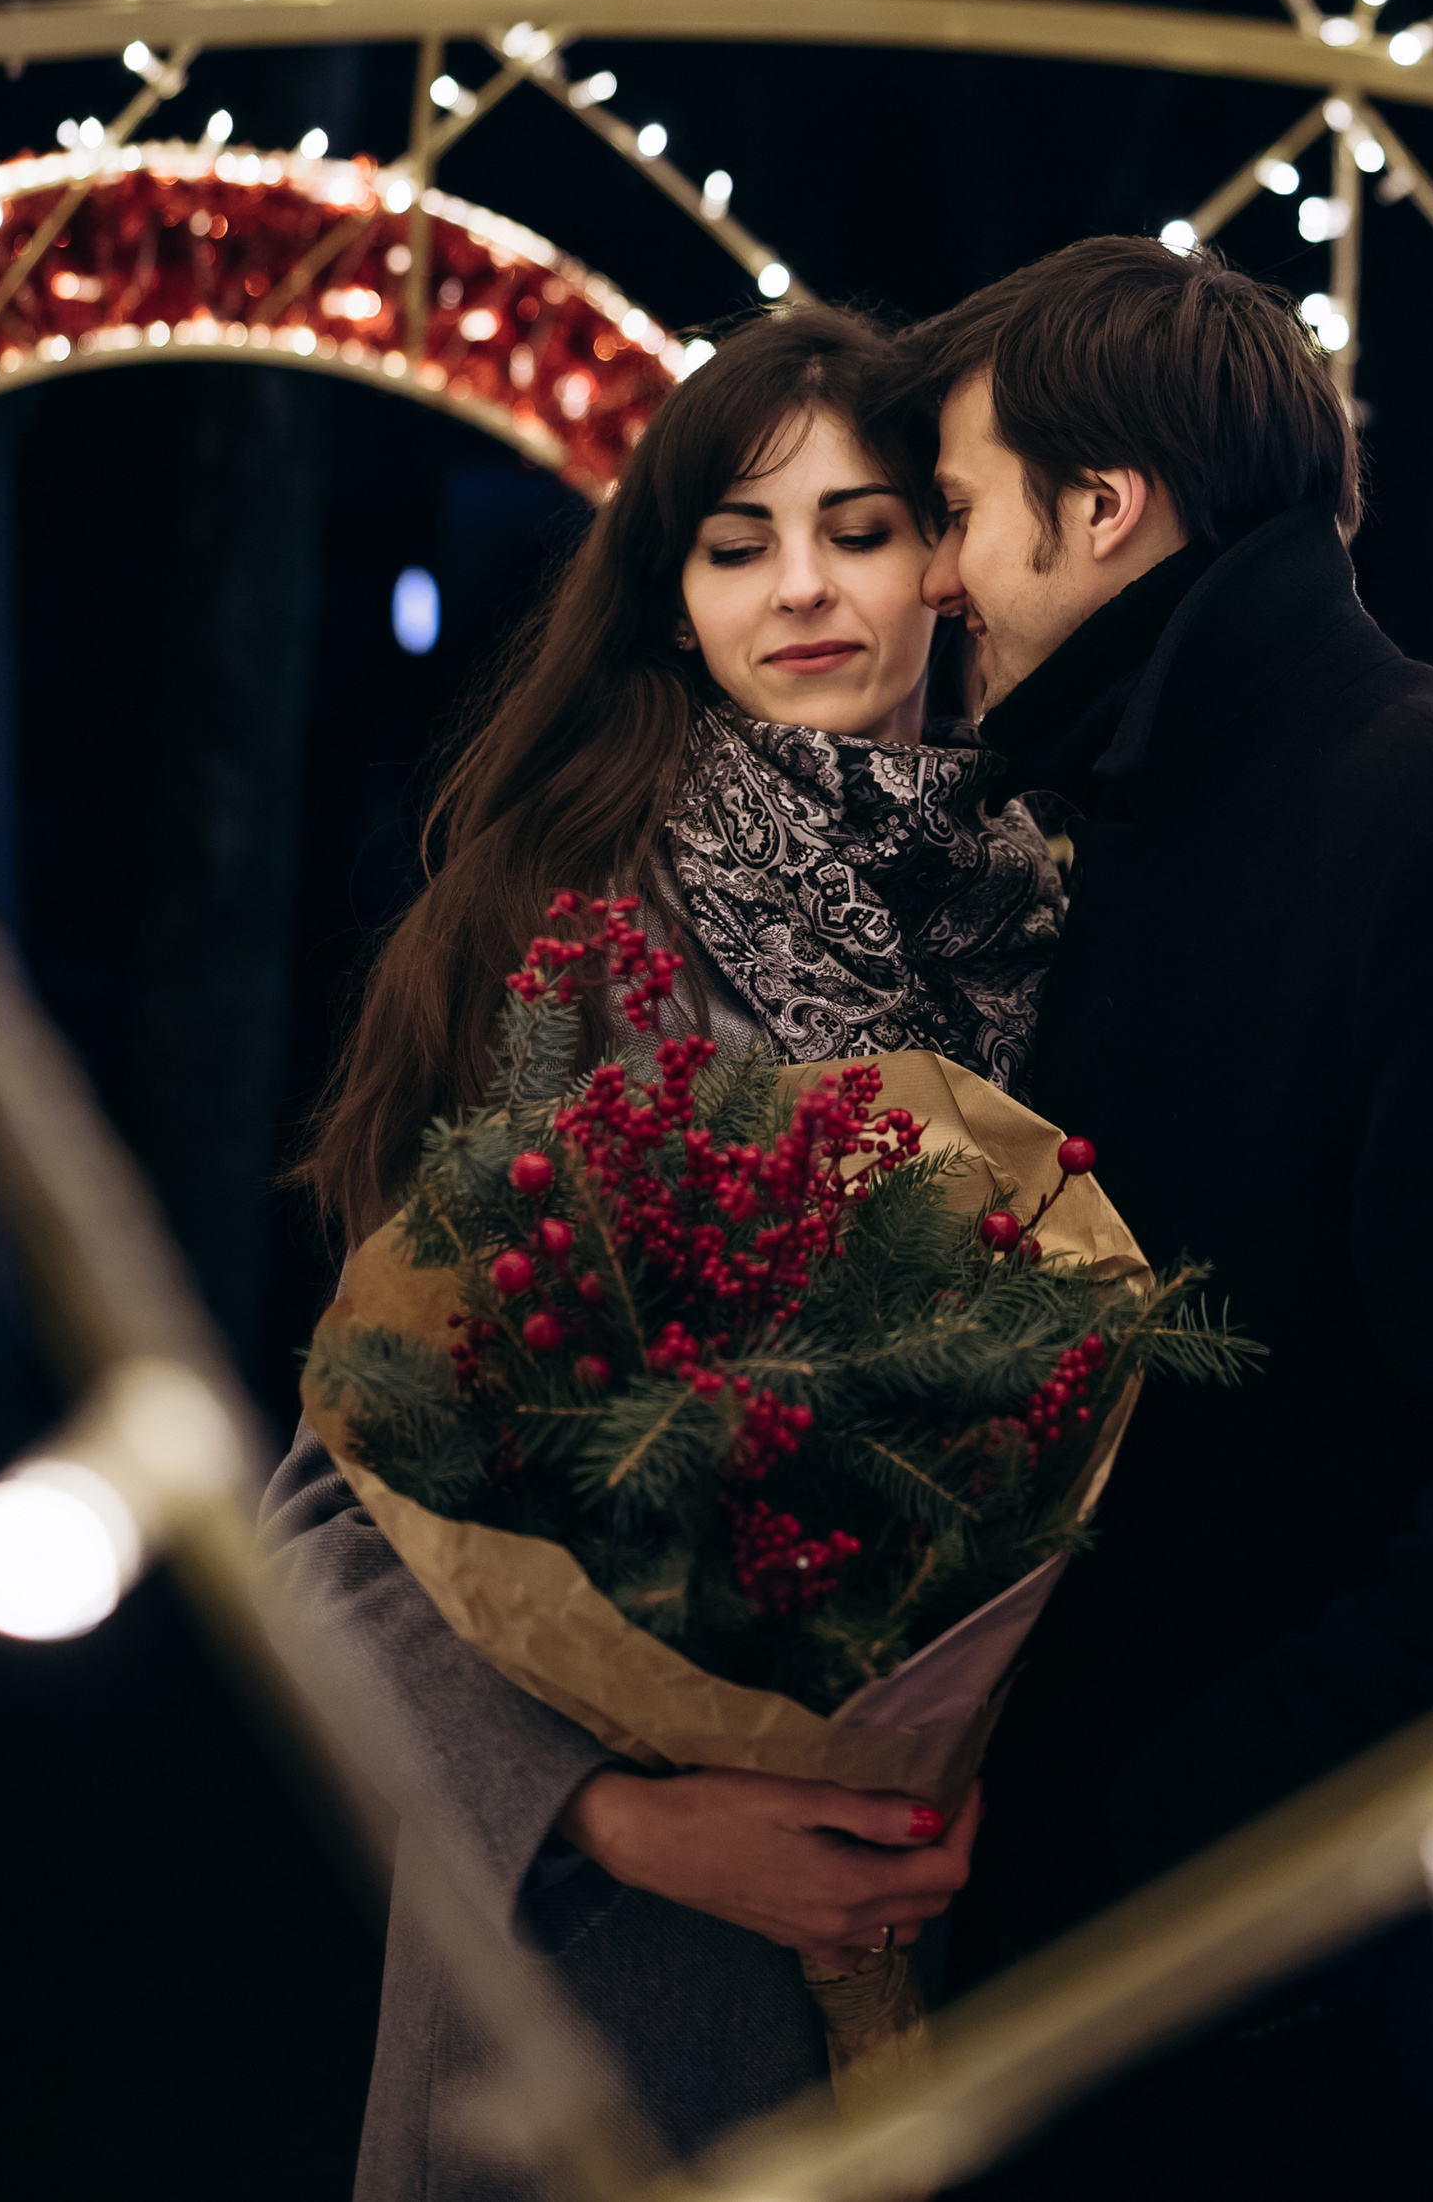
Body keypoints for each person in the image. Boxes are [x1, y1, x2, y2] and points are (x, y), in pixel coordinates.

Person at [893, 234, 1433, 2199]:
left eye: (959, 513)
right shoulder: (1120, 833)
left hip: (1368, 2046)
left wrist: (1160, 1810)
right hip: (1183, 2011)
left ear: (1102, 507)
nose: (935, 577)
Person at [260, 305, 1061, 2199]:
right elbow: (337, 1523)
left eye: (859, 528)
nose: (803, 585)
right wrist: (619, 1816)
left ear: (943, 565)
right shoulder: (565, 939)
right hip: (611, 1995)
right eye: (737, 540)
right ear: (669, 593)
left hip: (998, 1954)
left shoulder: (1057, 919)